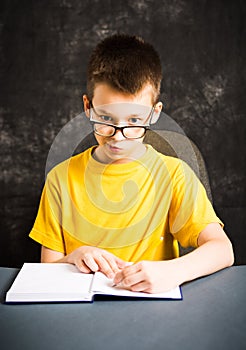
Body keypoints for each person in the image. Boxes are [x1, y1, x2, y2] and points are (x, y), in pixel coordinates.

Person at [29, 34, 234, 293]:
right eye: (105, 118)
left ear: (154, 113)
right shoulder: (60, 179)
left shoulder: (174, 175)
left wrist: (174, 271)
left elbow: (222, 250)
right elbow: (47, 270)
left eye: (135, 121)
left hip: (153, 313)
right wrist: (73, 258)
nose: (118, 136)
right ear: (87, 106)